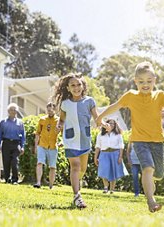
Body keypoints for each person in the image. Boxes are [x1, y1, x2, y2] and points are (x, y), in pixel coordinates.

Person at [96, 61, 164, 213]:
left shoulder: (160, 96)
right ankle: (151, 202)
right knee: (147, 168)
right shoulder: (131, 96)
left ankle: (149, 184)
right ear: (135, 81)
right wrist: (100, 117)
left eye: (149, 81)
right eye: (141, 82)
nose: (145, 84)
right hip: (139, 141)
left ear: (154, 80)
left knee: (158, 173)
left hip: (157, 141)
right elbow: (115, 106)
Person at [53, 73, 104, 209]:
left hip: (84, 139)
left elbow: (97, 117)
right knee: (75, 166)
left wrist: (103, 123)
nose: (76, 88)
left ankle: (77, 182)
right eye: (73, 85)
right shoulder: (65, 104)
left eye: (78, 85)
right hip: (70, 139)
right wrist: (59, 126)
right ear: (68, 88)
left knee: (82, 169)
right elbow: (62, 119)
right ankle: (77, 196)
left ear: (83, 86)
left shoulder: (89, 101)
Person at [94, 119, 128, 194]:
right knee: (104, 170)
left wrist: (120, 157)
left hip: (115, 153)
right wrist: (95, 157)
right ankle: (106, 187)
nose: (111, 125)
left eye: (113, 124)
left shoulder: (118, 134)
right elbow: (98, 147)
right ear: (105, 124)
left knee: (113, 172)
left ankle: (112, 189)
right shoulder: (100, 135)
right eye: (110, 123)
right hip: (104, 153)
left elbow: (121, 146)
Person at [33, 102, 60, 189]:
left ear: (55, 110)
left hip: (53, 146)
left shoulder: (59, 121)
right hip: (42, 145)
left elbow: (64, 133)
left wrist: (62, 142)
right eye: (48, 111)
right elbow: (37, 133)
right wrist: (36, 145)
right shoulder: (42, 120)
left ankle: (51, 186)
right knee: (40, 163)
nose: (50, 112)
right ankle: (38, 182)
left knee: (52, 166)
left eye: (51, 111)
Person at [0, 103, 26, 185]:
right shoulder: (3, 122)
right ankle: (7, 178)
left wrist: (23, 146)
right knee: (6, 161)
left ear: (17, 111)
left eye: (15, 110)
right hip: (6, 143)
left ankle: (15, 179)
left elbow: (23, 136)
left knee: (15, 162)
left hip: (16, 144)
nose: (13, 111)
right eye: (11, 110)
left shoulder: (20, 123)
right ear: (8, 111)